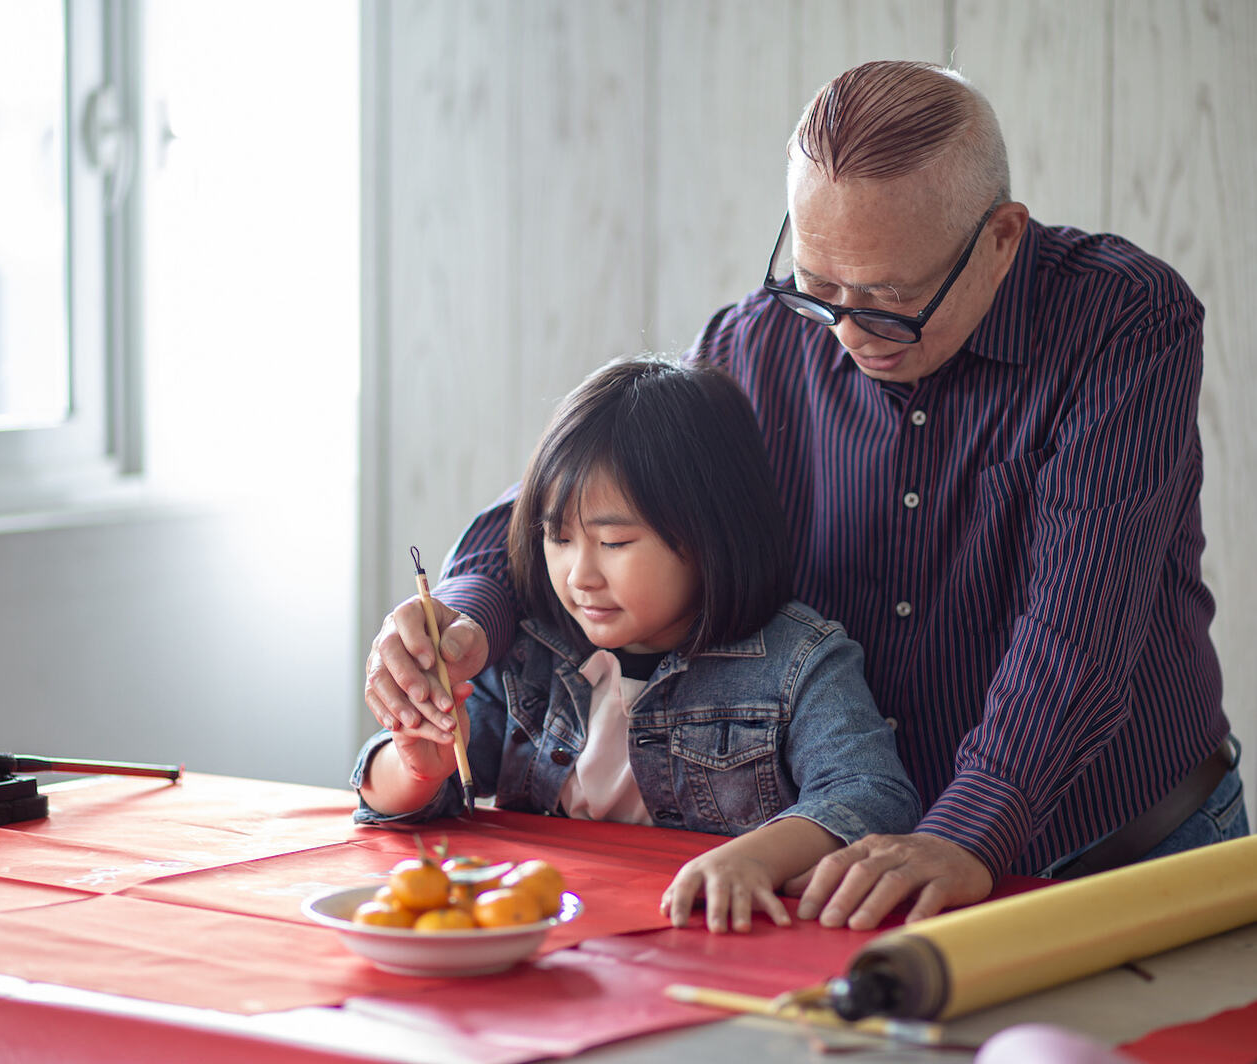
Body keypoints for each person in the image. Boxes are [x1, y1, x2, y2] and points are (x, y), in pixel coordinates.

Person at [364, 60, 1247, 931]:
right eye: (819, 287)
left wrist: (971, 828)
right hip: (871, 875)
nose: (850, 333)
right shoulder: (762, 342)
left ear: (1004, 238)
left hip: (1119, 852)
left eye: (892, 299)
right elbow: (567, 493)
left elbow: (1080, 626)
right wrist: (468, 614)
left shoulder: (1121, 321)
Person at [354, 356, 921, 932]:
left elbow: (873, 794)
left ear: (711, 536)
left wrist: (759, 855)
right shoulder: (533, 652)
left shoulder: (797, 661)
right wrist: (416, 772)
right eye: (559, 537)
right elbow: (399, 802)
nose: (580, 575)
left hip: (716, 943)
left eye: (615, 541)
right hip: (549, 941)